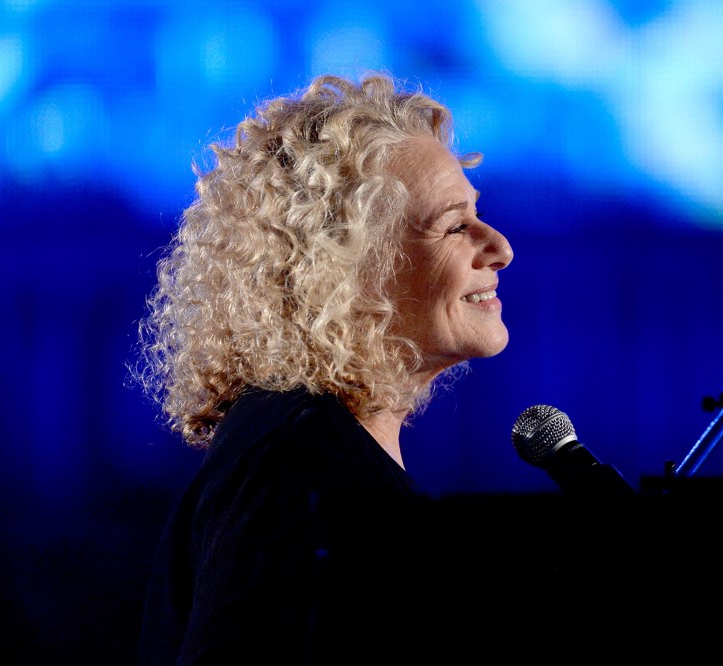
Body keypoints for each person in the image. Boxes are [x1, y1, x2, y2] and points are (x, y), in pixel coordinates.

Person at [132, 72, 513, 665]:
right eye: (455, 224)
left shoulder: (309, 450)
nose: (500, 248)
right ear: (347, 265)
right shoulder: (294, 467)